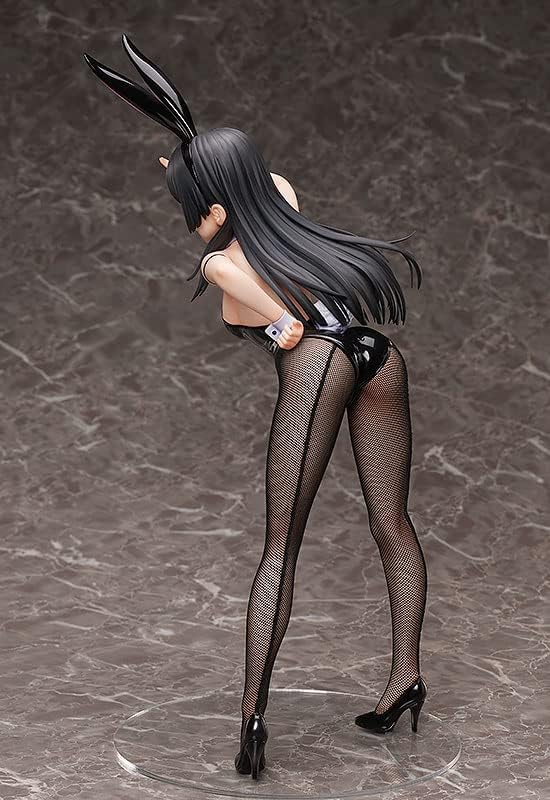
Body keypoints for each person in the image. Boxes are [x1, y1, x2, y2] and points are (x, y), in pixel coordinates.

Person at [84, 35, 429, 782]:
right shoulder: (280, 200)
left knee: (280, 546)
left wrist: (244, 284)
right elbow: (256, 179)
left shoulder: (220, 262)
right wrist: (191, 157)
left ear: (213, 207)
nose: (189, 223)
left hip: (322, 361)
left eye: (189, 210)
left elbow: (291, 328)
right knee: (392, 523)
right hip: (378, 355)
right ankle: (406, 678)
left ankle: (250, 720)